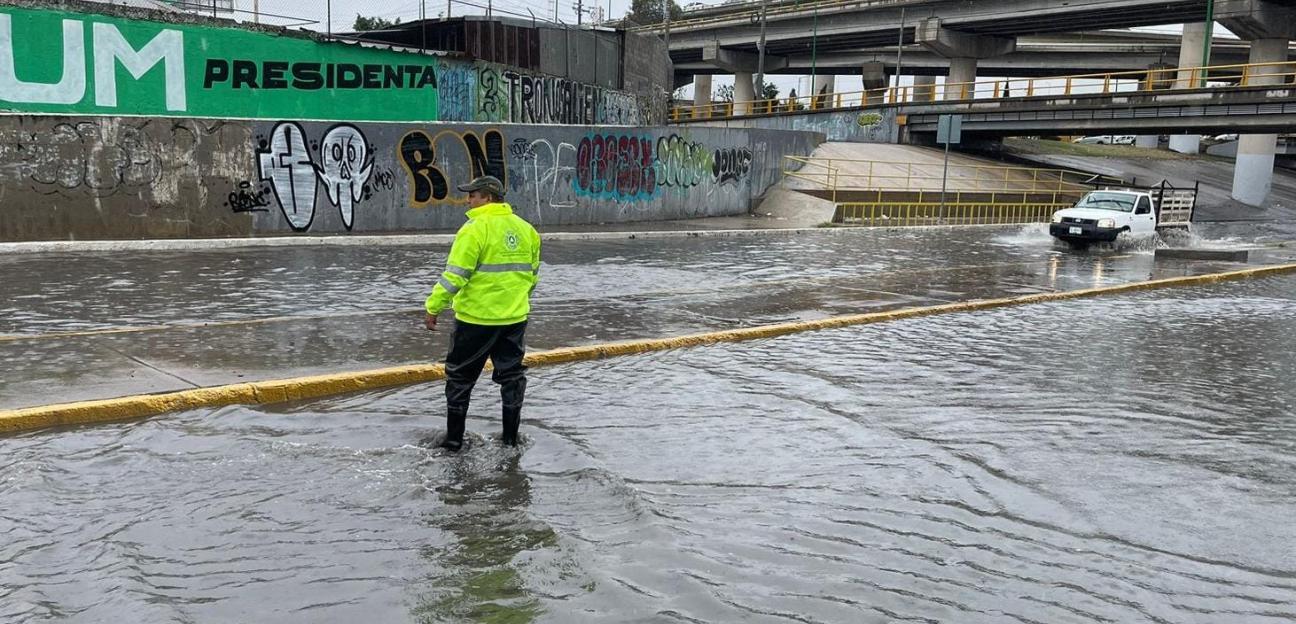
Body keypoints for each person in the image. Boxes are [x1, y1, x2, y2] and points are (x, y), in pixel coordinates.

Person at [424, 175, 541, 451]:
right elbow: (531, 277)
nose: (468, 200)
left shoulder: (474, 228)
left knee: (460, 379)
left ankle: (453, 441)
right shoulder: (526, 230)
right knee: (512, 378)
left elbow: (455, 276)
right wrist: (515, 303)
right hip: (514, 320)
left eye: (473, 195)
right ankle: (510, 440)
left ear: (487, 197)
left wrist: (433, 306)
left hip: (475, 321)